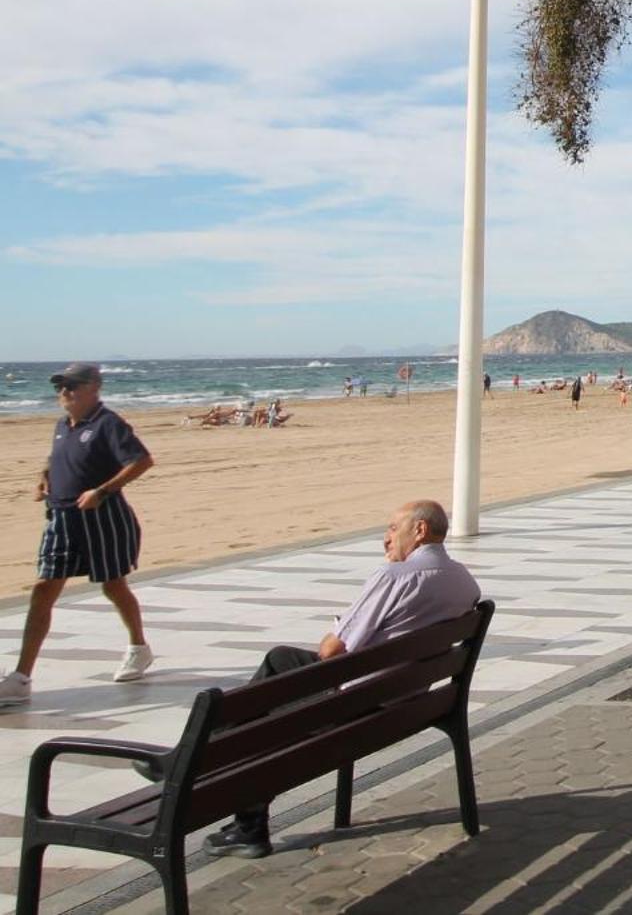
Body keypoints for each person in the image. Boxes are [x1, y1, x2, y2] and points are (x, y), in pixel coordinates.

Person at [202, 500, 480, 859]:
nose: (386, 539)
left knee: (265, 719)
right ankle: (213, 750)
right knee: (280, 660)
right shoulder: (463, 580)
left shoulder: (395, 576)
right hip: (409, 697)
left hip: (359, 700)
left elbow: (332, 650)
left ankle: (228, 795)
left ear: (420, 530)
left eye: (393, 528)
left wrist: (340, 623)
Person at [0, 364, 155, 705]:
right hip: (61, 517)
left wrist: (102, 490)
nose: (65, 392)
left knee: (113, 585)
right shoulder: (62, 425)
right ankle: (21, 677)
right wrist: (44, 474)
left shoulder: (107, 423)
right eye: (61, 387)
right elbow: (59, 455)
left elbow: (141, 461)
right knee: (44, 588)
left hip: (102, 517)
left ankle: (138, 646)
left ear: (94, 388)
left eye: (72, 386)